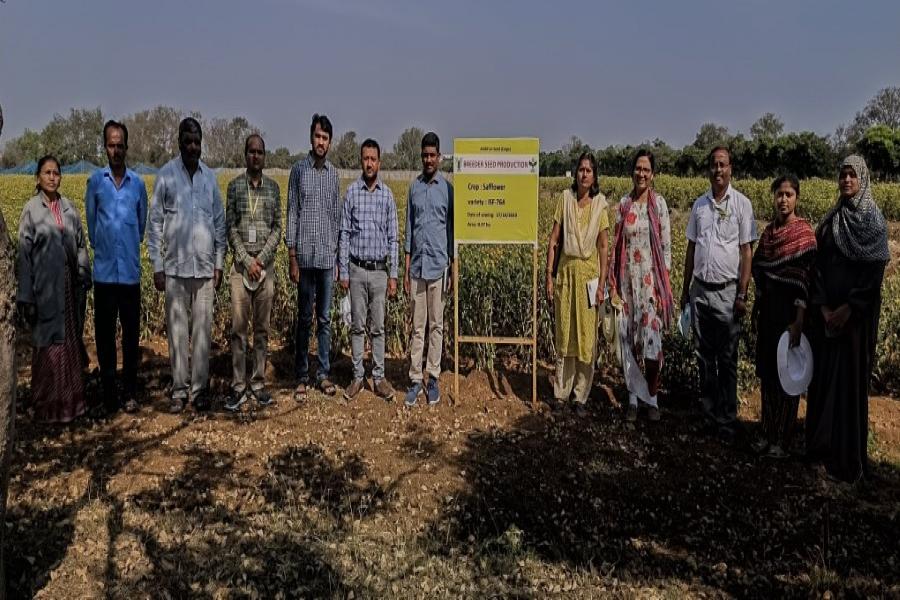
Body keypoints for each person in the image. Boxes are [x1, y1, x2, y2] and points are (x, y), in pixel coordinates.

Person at [806, 155, 888, 483]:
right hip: (828, 320)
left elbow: (874, 271)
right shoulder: (832, 221)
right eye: (842, 175)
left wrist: (850, 308)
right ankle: (820, 451)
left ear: (863, 179)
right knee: (824, 383)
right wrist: (824, 308)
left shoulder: (874, 222)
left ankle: (847, 459)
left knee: (849, 386)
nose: (847, 181)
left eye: (852, 175)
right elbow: (819, 267)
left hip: (855, 323)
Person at [147, 118, 226, 413]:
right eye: (188, 140)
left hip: (205, 269)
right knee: (177, 331)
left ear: (201, 143)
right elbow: (154, 223)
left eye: (197, 141)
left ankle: (200, 390)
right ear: (179, 141)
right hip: (175, 269)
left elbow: (219, 222)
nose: (193, 146)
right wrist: (156, 264)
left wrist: (218, 263)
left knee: (203, 331)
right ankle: (179, 390)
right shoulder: (166, 175)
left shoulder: (210, 178)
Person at [681, 146, 757, 443]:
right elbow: (691, 247)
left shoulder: (742, 205)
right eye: (713, 165)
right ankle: (709, 414)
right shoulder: (700, 205)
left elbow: (746, 251)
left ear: (730, 169)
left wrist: (742, 293)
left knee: (727, 358)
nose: (718, 170)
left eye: (722, 165)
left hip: (727, 292)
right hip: (700, 289)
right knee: (703, 356)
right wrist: (685, 290)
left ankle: (727, 419)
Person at [17, 155, 91, 423]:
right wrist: (26, 295)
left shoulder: (69, 208)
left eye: (56, 173)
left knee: (68, 343)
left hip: (68, 289)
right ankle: (46, 407)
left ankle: (70, 406)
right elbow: (24, 256)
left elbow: (81, 244)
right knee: (47, 345)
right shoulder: (31, 210)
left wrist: (84, 272)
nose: (52, 177)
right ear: (38, 177)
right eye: (47, 173)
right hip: (44, 289)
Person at [750, 175, 817, 458]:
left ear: (797, 198)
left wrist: (800, 319)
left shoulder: (804, 235)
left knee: (786, 375)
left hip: (791, 313)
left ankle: (782, 439)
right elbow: (759, 268)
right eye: (779, 194)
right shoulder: (768, 234)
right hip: (769, 311)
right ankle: (767, 433)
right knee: (768, 372)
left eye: (789, 194)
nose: (783, 199)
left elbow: (807, 279)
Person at [84, 120, 148, 414]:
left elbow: (142, 224)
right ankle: (109, 394)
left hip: (130, 275)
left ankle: (130, 392)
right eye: (111, 145)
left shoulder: (138, 184)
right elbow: (92, 227)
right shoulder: (96, 183)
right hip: (106, 274)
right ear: (105, 147)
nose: (116, 150)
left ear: (127, 146)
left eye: (121, 145)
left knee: (131, 336)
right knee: (105, 336)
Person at [609, 149, 672, 422]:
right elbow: (615, 247)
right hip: (627, 282)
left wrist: (662, 287)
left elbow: (666, 250)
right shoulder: (624, 204)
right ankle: (634, 398)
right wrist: (613, 286)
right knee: (630, 340)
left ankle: (653, 397)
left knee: (652, 342)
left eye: (646, 169)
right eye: (638, 168)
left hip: (650, 284)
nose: (641, 173)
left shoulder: (659, 206)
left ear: (652, 174)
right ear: (632, 172)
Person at [545, 152, 609, 415]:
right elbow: (554, 241)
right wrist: (549, 275)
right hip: (566, 273)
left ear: (594, 176)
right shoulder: (565, 199)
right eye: (581, 169)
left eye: (588, 171)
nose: (584, 174)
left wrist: (603, 283)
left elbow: (604, 246)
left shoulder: (600, 205)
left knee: (586, 335)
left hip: (589, 277)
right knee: (565, 333)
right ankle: (561, 392)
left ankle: (580, 396)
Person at [224, 134, 282, 411]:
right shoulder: (235, 187)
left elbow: (278, 228)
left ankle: (257, 383)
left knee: (261, 330)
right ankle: (237, 386)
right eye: (251, 152)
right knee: (237, 330)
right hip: (240, 268)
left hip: (265, 269)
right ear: (245, 155)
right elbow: (231, 227)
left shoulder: (273, 189)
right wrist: (247, 260)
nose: (256, 156)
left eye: (260, 152)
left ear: (264, 155)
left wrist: (261, 259)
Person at [338, 139, 399, 401]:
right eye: (365, 158)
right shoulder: (352, 192)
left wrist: (394, 274)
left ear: (379, 162)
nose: (369, 163)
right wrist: (342, 271)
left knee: (378, 327)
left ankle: (379, 377)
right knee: (356, 327)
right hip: (356, 269)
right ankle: (357, 377)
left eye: (373, 159)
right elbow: (344, 234)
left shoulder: (387, 195)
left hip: (379, 272)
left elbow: (393, 238)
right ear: (360, 161)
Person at [286, 114, 341, 400]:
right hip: (305, 258)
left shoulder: (333, 174)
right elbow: (292, 213)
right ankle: (301, 376)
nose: (321, 142)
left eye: (326, 138)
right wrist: (292, 255)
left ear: (330, 143)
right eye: (318, 137)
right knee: (305, 318)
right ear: (311, 137)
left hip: (326, 261)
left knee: (325, 319)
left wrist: (337, 256)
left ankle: (323, 373)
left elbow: (336, 217)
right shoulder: (298, 171)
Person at [403, 132, 454, 407]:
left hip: (439, 266)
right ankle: (414, 379)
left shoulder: (448, 190)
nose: (428, 159)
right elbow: (409, 228)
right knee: (417, 327)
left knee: (437, 325)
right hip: (417, 268)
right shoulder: (414, 188)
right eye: (424, 155)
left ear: (439, 157)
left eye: (432, 155)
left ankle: (432, 376)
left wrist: (453, 266)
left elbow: (451, 230)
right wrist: (406, 262)